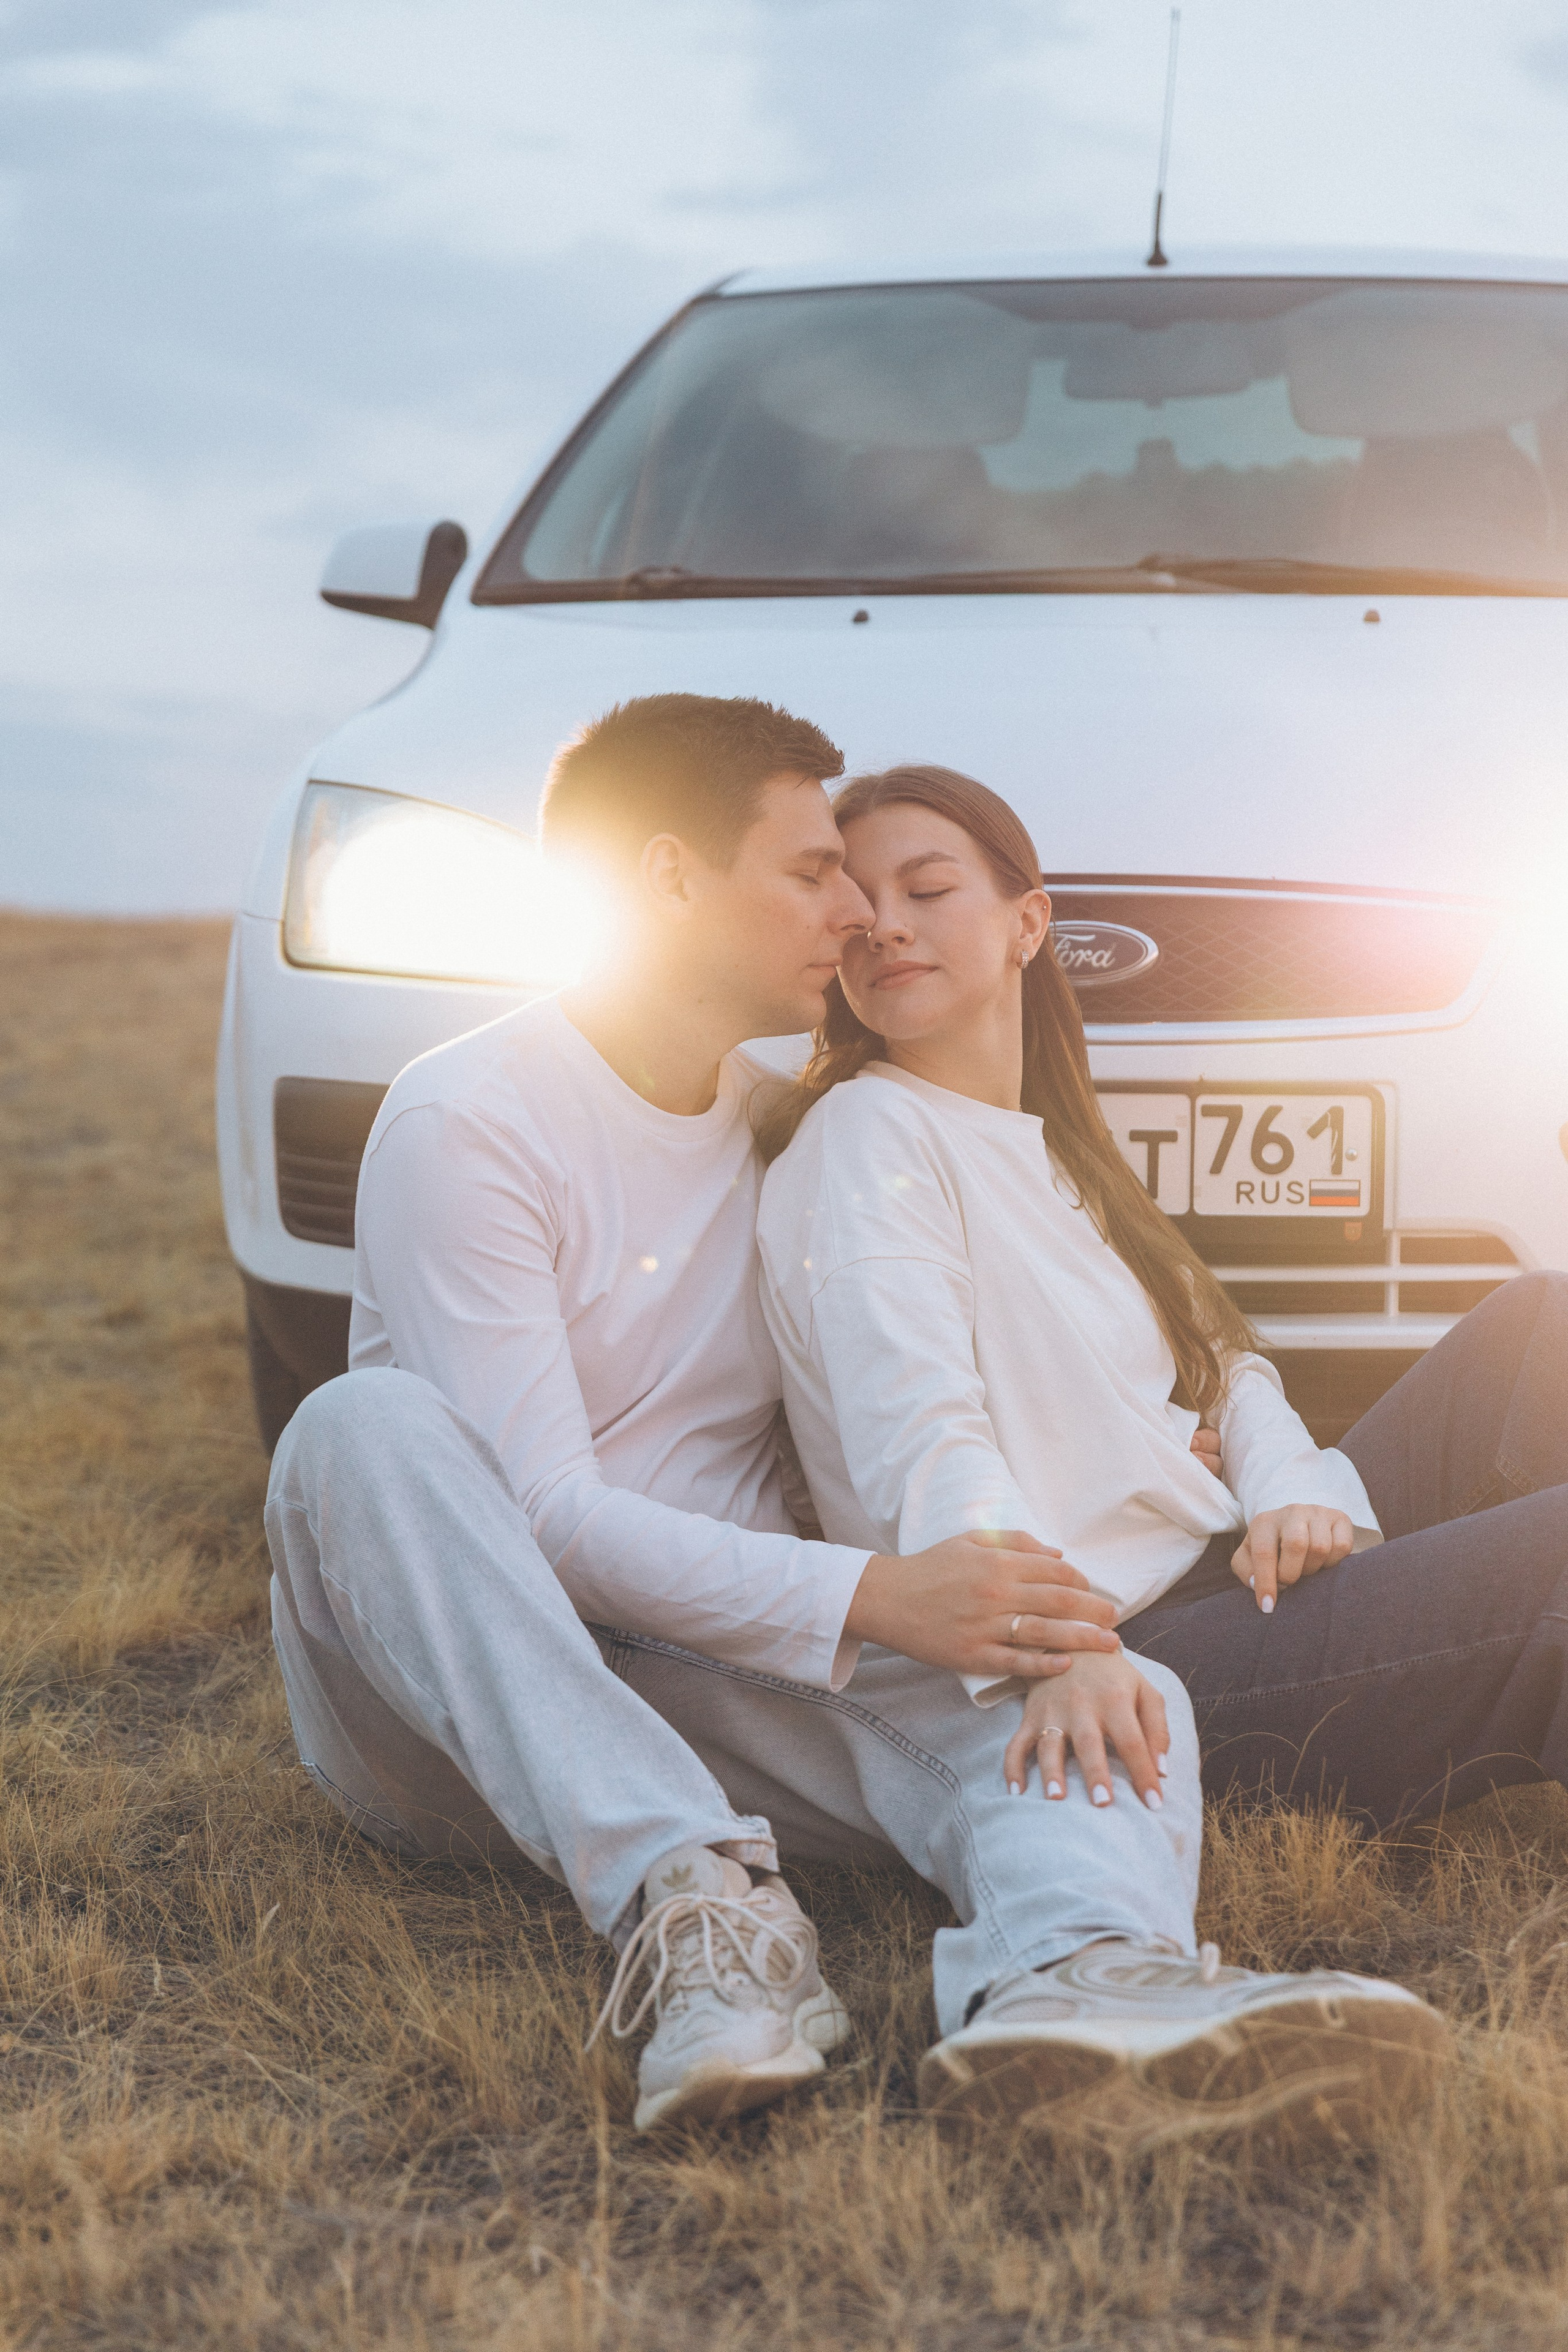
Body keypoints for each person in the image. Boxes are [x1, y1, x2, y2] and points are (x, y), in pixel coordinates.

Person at [265, 695, 1128, 2137]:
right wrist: (874, 1595)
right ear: (668, 879)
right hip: (463, 1707)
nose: (857, 914)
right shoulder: (467, 1118)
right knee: (360, 1429)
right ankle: (705, 1919)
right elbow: (544, 1520)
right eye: (811, 872)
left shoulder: (783, 1121)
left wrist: (1140, 1435)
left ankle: (1082, 1982)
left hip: (713, 1674)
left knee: (1079, 1702)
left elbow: (928, 1346)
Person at [752, 758, 1568, 2138]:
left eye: (927, 889)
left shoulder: (1057, 1149)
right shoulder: (869, 1136)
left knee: (1536, 1325)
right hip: (1132, 1660)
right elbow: (915, 1432)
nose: (883, 922)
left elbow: (1223, 1358)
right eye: (859, 900)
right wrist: (1061, 1643)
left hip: (1225, 1565)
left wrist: (1289, 1484)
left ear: (1029, 923)